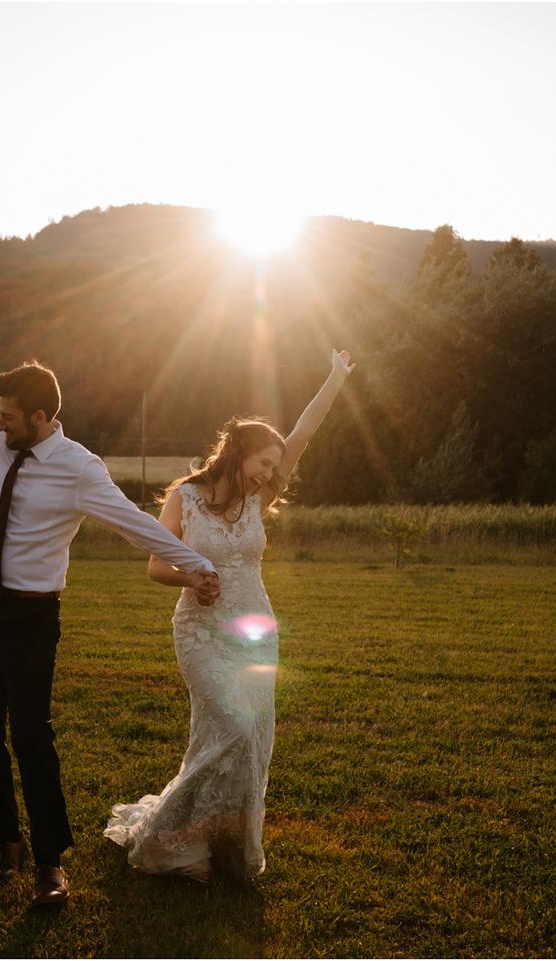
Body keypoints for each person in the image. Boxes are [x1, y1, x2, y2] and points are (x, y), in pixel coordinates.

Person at [0, 307, 220, 907]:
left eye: (8, 415)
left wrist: (197, 567)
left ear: (41, 418)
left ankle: (50, 865)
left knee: (31, 736)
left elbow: (135, 524)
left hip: (32, 620)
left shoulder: (78, 468)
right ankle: (4, 846)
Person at [104, 348, 355, 882]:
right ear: (237, 454)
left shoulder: (256, 501)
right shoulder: (186, 498)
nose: (269, 473)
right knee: (232, 729)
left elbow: (305, 434)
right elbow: (156, 565)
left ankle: (216, 848)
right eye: (263, 462)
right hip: (200, 632)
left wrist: (336, 376)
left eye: (273, 466)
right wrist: (190, 576)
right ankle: (167, 840)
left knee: (250, 738)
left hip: (255, 631)